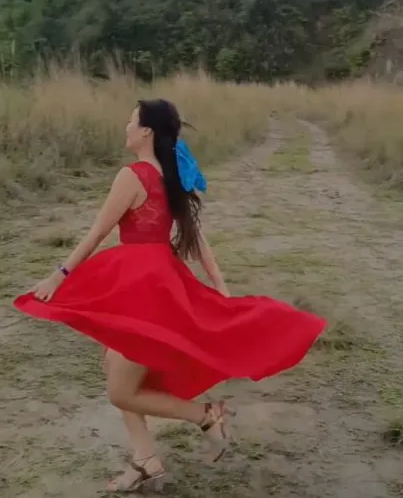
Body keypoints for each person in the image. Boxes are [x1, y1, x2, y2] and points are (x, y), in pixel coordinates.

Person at [14, 99, 326, 493]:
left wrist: (57, 276)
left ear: (146, 131)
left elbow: (97, 232)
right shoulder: (170, 174)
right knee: (114, 364)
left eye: (131, 121)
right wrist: (219, 285)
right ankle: (146, 460)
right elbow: (200, 241)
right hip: (157, 281)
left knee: (120, 389)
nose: (126, 126)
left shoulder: (134, 175)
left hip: (141, 288)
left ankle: (206, 415)